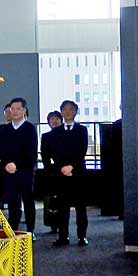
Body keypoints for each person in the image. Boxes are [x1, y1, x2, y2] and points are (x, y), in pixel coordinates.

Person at [0, 97, 38, 234]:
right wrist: (7, 164)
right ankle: (13, 230)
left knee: (28, 202)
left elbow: (31, 151)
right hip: (8, 171)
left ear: (24, 110)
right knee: (13, 202)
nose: (15, 111)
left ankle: (30, 230)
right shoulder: (3, 130)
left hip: (25, 171)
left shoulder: (30, 128)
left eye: (18, 109)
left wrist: (16, 164)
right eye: (12, 109)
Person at [50, 100, 90, 247]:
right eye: (65, 109)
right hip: (61, 174)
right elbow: (54, 152)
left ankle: (82, 236)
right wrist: (62, 167)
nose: (67, 112)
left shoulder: (82, 130)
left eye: (71, 109)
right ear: (61, 112)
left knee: (80, 206)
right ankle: (63, 237)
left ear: (75, 112)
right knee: (62, 206)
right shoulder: (56, 132)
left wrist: (71, 166)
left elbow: (82, 150)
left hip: (78, 173)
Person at [41, 110, 63, 234]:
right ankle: (52, 224)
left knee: (62, 199)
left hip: (64, 170)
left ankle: (61, 224)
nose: (54, 121)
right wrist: (48, 168)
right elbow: (44, 155)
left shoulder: (65, 135)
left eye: (56, 119)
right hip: (51, 171)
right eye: (51, 119)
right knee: (50, 199)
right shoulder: (46, 136)